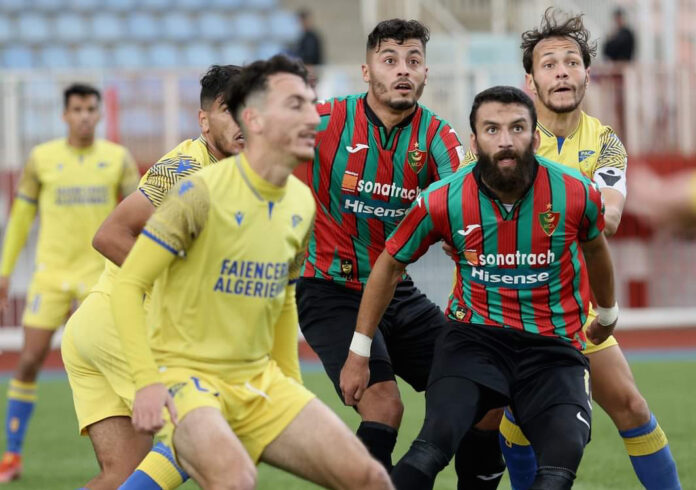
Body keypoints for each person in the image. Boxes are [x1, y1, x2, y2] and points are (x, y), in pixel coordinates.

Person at [111, 55, 392, 490]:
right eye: (295, 105)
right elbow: (128, 286)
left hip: (259, 384)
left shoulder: (300, 204)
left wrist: (292, 386)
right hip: (186, 381)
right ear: (255, 119)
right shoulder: (196, 193)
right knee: (235, 478)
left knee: (371, 478)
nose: (312, 117)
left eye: (312, 104)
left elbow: (283, 300)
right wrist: (148, 384)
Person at [344, 85, 616, 490]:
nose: (505, 141)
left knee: (559, 468)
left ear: (535, 136)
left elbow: (596, 248)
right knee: (432, 447)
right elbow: (388, 264)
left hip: (553, 348)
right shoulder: (444, 199)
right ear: (473, 140)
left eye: (517, 128)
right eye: (492, 130)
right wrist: (359, 350)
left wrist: (608, 313)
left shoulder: (575, 191)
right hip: (473, 342)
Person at [471, 10, 680, 490]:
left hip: (576, 313)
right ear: (530, 80)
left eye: (571, 61)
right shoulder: (503, 138)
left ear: (587, 74)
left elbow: (607, 215)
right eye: (549, 64)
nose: (561, 70)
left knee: (631, 406)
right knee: (514, 420)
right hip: (509, 311)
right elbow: (468, 207)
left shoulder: (605, 142)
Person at [298, 18, 506, 487]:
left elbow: (468, 207)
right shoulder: (326, 121)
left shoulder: (438, 139)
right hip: (331, 289)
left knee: (487, 397)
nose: (402, 70)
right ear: (367, 71)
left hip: (398, 291)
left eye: (413, 60)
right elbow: (259, 148)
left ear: (426, 73)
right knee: (385, 405)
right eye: (389, 60)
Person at [60, 65, 245, 490]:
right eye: (227, 109)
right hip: (120, 326)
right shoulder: (185, 169)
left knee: (122, 475)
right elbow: (108, 236)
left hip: (95, 327)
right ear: (204, 120)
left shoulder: (238, 174)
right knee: (202, 438)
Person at [0, 83, 139, 483]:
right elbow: (21, 219)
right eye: (76, 109)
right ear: (64, 115)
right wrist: (6, 270)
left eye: (90, 109)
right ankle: (11, 454)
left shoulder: (117, 159)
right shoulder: (42, 159)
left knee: (119, 361)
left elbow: (138, 216)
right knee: (28, 360)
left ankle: (123, 449)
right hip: (52, 275)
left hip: (98, 274)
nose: (83, 116)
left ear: (99, 114)